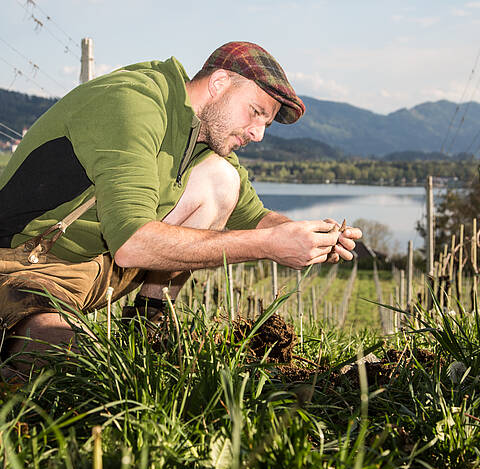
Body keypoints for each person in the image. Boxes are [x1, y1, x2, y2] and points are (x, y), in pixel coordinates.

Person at [0, 41, 361, 367]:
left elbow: (254, 218)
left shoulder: (201, 133)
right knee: (69, 366)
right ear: (219, 84)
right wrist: (269, 247)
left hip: (95, 270)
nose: (258, 133)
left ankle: (145, 330)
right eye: (255, 112)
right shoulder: (131, 104)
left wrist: (312, 236)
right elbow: (132, 245)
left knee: (222, 179)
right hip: (24, 269)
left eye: (266, 123)